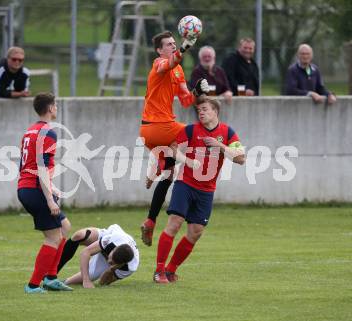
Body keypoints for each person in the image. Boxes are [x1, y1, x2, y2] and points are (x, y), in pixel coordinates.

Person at [153, 96, 246, 283]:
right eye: (199, 110)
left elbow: (241, 158)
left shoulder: (227, 132)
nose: (201, 112)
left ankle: (171, 270)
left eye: (204, 109)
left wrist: (219, 145)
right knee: (175, 222)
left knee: (196, 231)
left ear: (215, 112)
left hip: (207, 190)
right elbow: (173, 149)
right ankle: (159, 271)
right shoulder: (190, 130)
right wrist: (186, 160)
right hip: (185, 184)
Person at [139, 31, 209, 247]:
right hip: (158, 126)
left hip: (156, 130)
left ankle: (150, 221)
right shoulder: (159, 64)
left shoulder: (177, 70)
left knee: (168, 175)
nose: (172, 46)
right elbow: (168, 63)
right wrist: (184, 48)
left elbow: (186, 101)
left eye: (173, 43)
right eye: (168, 44)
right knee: (200, 134)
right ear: (159, 50)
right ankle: (161, 169)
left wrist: (197, 91)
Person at [17, 92, 72, 293]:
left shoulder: (29, 131)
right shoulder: (48, 132)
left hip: (26, 187)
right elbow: (41, 166)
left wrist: (51, 186)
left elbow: (25, 165)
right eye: (55, 105)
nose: (56, 108)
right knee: (53, 238)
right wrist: (50, 199)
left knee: (65, 227)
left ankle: (51, 277)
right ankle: (33, 285)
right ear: (50, 108)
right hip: (35, 189)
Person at [56, 224, 139, 288]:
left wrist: (111, 269)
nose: (109, 261)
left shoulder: (129, 268)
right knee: (79, 235)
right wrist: (86, 280)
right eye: (110, 258)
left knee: (90, 275)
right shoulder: (113, 239)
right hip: (108, 236)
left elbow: (102, 283)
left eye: (112, 262)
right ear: (114, 249)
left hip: (115, 260)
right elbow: (85, 252)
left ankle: (63, 282)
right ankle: (52, 274)